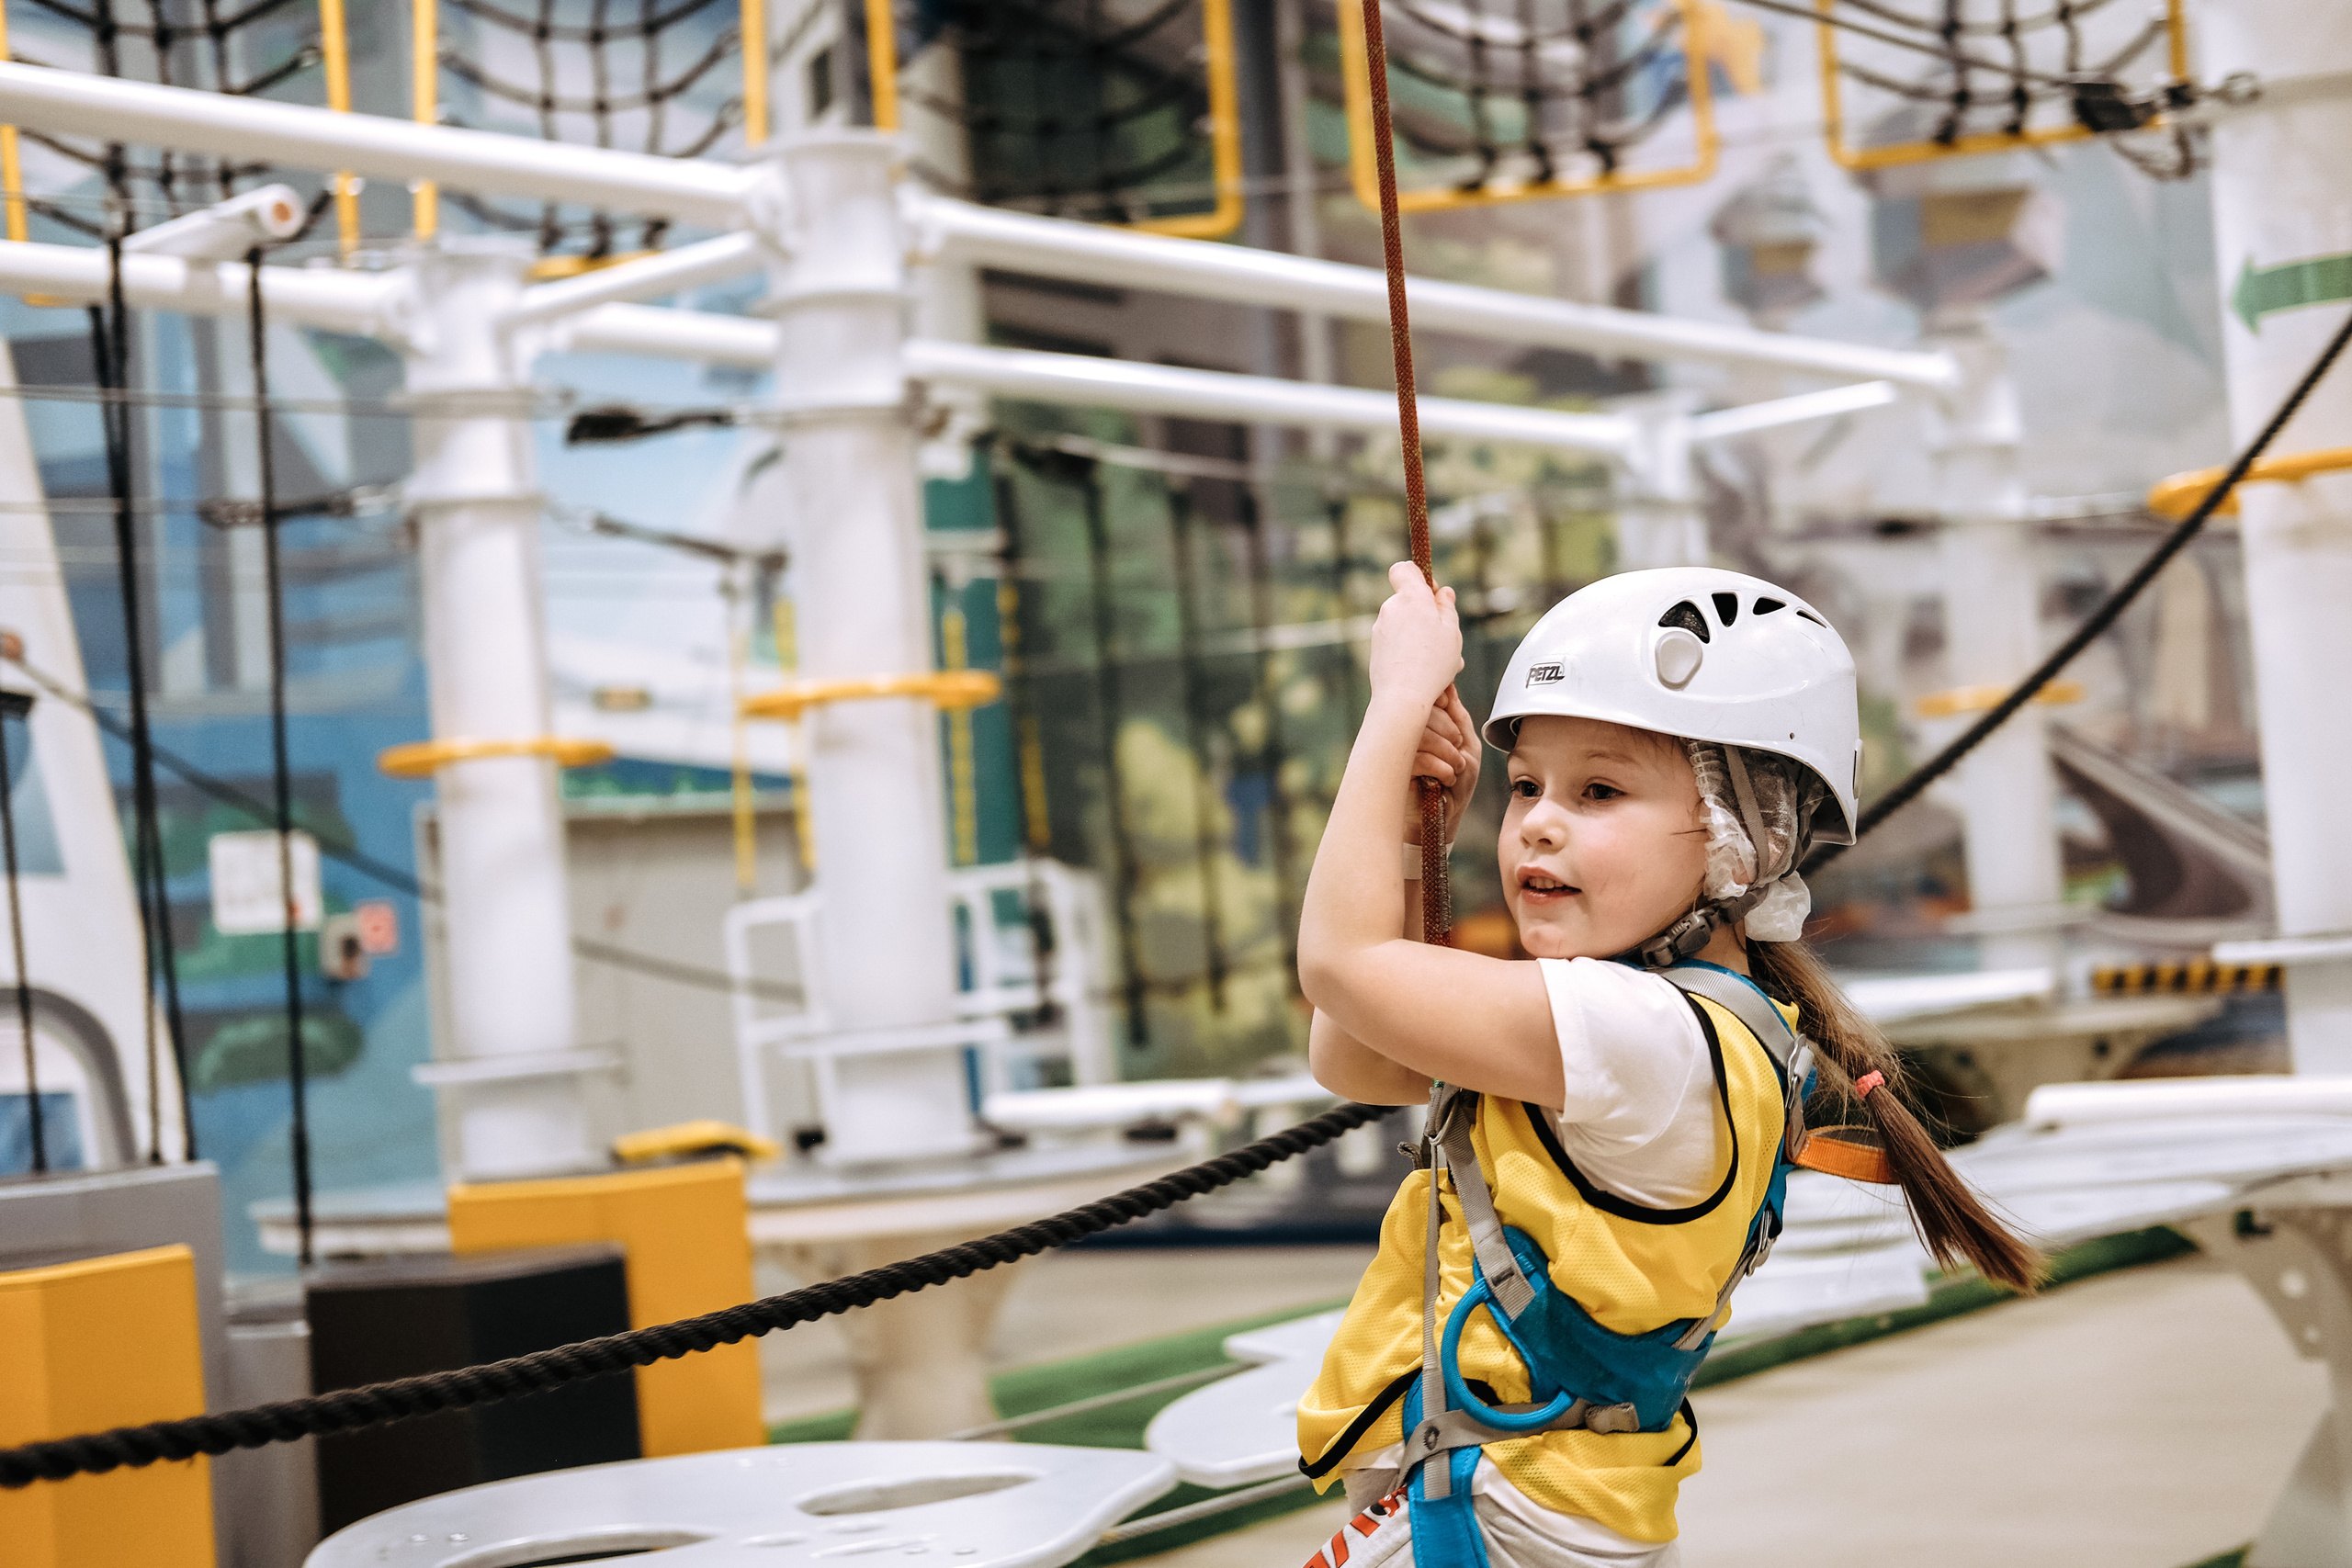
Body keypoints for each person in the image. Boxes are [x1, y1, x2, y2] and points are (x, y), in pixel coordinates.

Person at [1293, 563, 2039, 1568]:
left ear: (1743, 837)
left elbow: (1341, 969)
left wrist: (1390, 714)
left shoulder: (1638, 1037)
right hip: (1517, 1509)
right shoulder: (1665, 1030)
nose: (1539, 821)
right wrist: (1416, 822)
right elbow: (1352, 1051)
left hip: (1499, 1517)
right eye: (1523, 788)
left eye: (1598, 790)